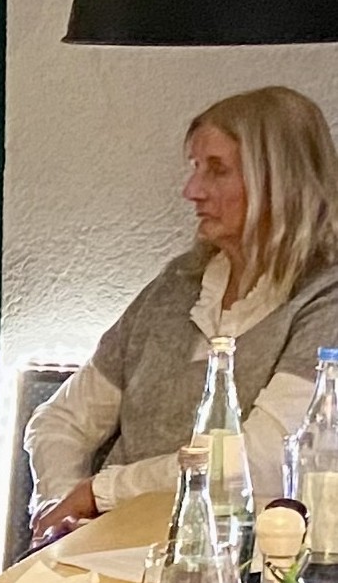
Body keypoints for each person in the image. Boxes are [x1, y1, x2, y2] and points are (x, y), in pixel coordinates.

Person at [29, 86, 338, 543]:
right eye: (195, 168)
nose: (192, 191)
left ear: (280, 181)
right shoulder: (177, 285)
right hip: (105, 550)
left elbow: (262, 461)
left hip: (239, 566)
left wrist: (102, 492)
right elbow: (60, 421)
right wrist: (60, 510)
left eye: (217, 170)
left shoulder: (324, 300)